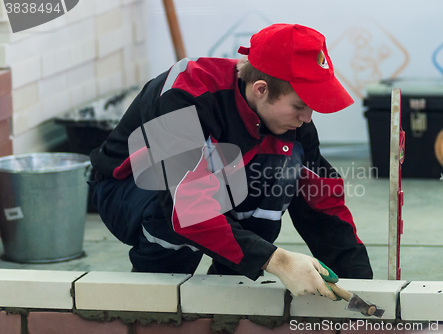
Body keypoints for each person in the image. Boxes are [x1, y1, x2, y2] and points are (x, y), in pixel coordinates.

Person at [89, 23, 373, 300]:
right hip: (132, 189)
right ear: (261, 89)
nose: (307, 118)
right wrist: (277, 261)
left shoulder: (291, 124)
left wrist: (362, 288)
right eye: (299, 106)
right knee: (173, 216)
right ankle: (157, 298)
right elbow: (186, 208)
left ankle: (230, 288)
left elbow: (321, 202)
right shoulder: (186, 94)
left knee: (284, 168)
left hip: (211, 183)